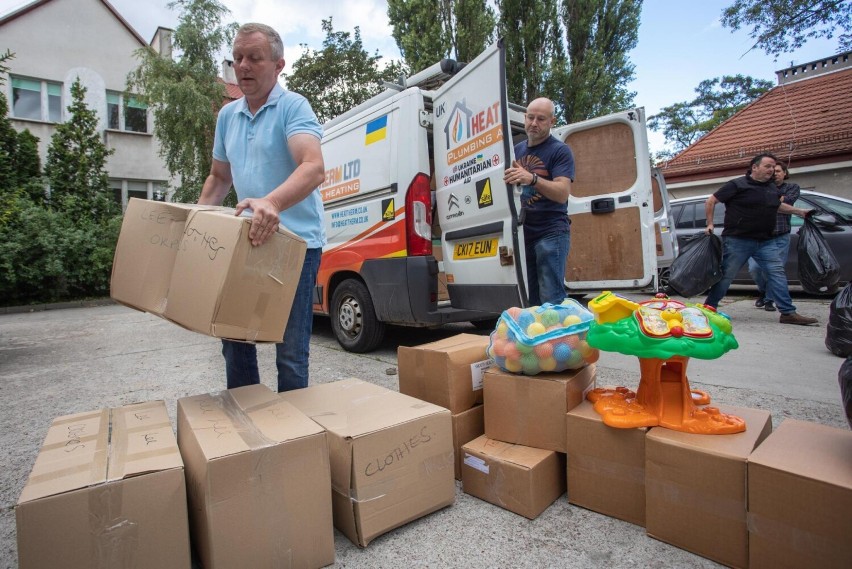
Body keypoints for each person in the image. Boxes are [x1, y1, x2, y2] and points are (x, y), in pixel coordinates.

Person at [198, 23, 325, 391]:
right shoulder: (227, 116)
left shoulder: (293, 107)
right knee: (235, 342)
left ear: (278, 65)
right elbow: (219, 179)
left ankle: (294, 440)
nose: (244, 66)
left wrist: (272, 201)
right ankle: (248, 431)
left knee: (290, 351)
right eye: (237, 58)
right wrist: (194, 223)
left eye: (254, 58)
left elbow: (313, 167)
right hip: (246, 241)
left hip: (295, 245)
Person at [703, 153, 817, 325]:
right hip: (738, 240)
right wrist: (710, 223)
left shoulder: (771, 188)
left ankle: (787, 313)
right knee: (726, 275)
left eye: (773, 167)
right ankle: (709, 309)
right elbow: (711, 201)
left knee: (777, 273)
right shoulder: (737, 184)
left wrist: (799, 212)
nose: (771, 170)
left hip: (766, 241)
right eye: (768, 166)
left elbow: (777, 206)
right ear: (754, 167)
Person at [503, 97, 574, 306]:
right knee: (529, 301)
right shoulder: (515, 150)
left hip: (550, 232)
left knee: (551, 299)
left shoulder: (560, 151)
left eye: (541, 119)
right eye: (530, 117)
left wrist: (531, 178)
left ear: (552, 121)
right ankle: (537, 339)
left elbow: (562, 193)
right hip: (523, 232)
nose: (534, 123)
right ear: (524, 118)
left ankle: (559, 340)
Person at [749, 162, 800, 312]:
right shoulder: (762, 186)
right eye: (772, 171)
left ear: (785, 173)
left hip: (780, 236)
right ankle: (764, 292)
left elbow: (787, 202)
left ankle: (769, 300)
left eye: (778, 171)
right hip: (759, 236)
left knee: (775, 270)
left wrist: (768, 200)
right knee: (755, 268)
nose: (775, 173)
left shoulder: (791, 188)